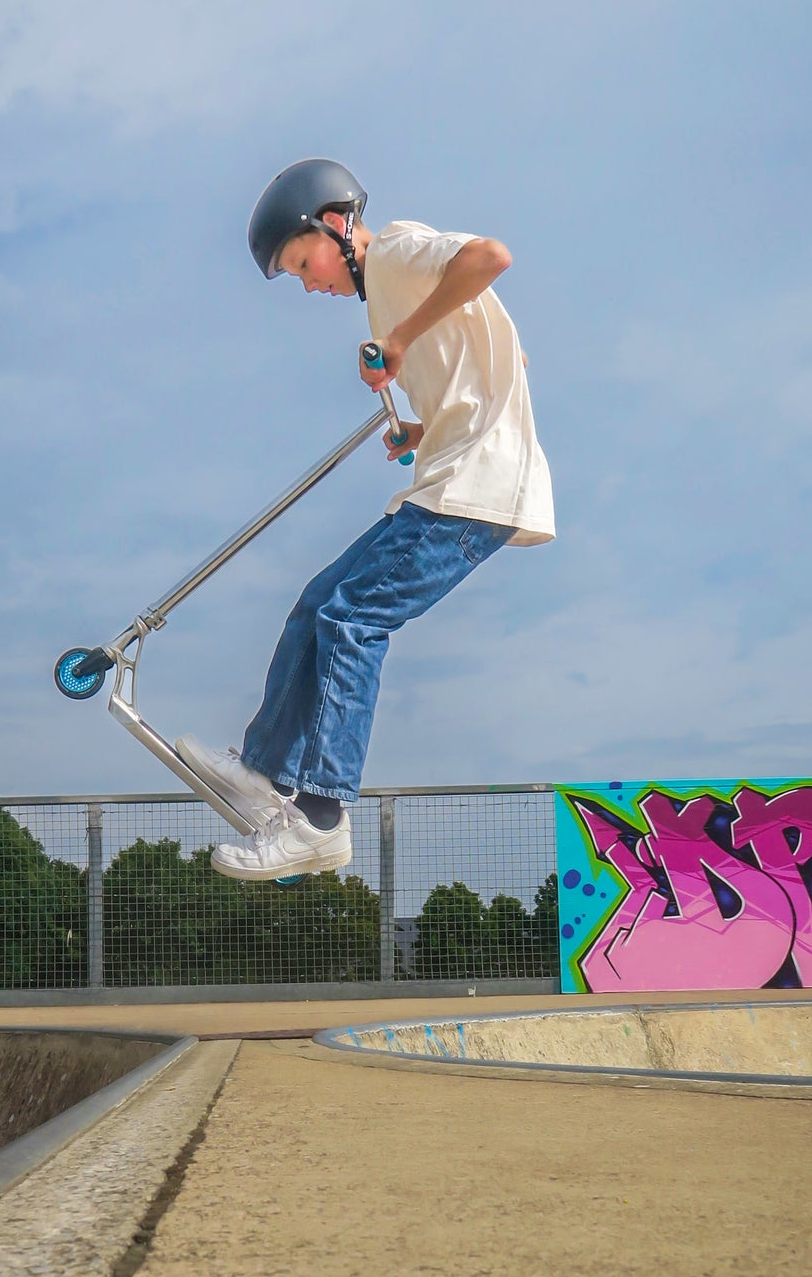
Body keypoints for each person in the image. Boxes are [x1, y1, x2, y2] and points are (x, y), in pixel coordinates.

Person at [178, 158, 554, 881]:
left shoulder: (397, 252)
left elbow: (490, 258)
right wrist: (421, 428)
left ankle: (320, 817)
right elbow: (505, 352)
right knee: (319, 601)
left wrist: (405, 337)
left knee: (353, 619)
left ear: (335, 223)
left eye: (302, 262)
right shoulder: (386, 296)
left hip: (476, 492)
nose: (309, 282)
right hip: (449, 478)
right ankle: (262, 771)